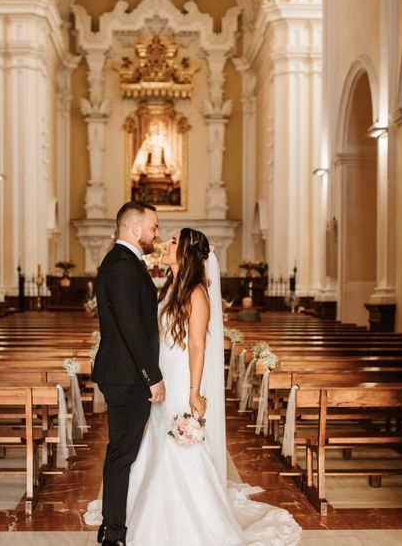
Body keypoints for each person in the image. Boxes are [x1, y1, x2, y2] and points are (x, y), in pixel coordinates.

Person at [87, 228, 301, 545]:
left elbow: (198, 346)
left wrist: (193, 391)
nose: (165, 244)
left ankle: (188, 522)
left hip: (180, 380)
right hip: (162, 377)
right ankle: (151, 514)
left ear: (185, 252)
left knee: (181, 448)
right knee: (159, 443)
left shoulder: (196, 293)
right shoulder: (169, 289)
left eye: (173, 241)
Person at [92, 201, 165, 546]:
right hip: (127, 376)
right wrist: (152, 375)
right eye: (153, 227)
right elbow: (131, 326)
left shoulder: (124, 263)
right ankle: (114, 535)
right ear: (135, 229)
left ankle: (111, 525)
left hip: (124, 372)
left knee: (121, 452)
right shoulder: (122, 265)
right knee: (122, 454)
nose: (156, 234)